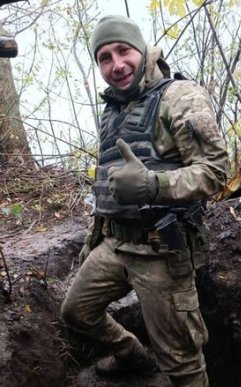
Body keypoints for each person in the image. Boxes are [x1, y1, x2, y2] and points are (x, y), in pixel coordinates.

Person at [61, 15, 228, 387]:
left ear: (141, 50)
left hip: (161, 252)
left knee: (180, 360)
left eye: (123, 51)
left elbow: (215, 171)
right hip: (115, 243)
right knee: (76, 311)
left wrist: (155, 184)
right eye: (104, 57)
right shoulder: (113, 107)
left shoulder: (179, 97)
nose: (116, 65)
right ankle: (133, 357)